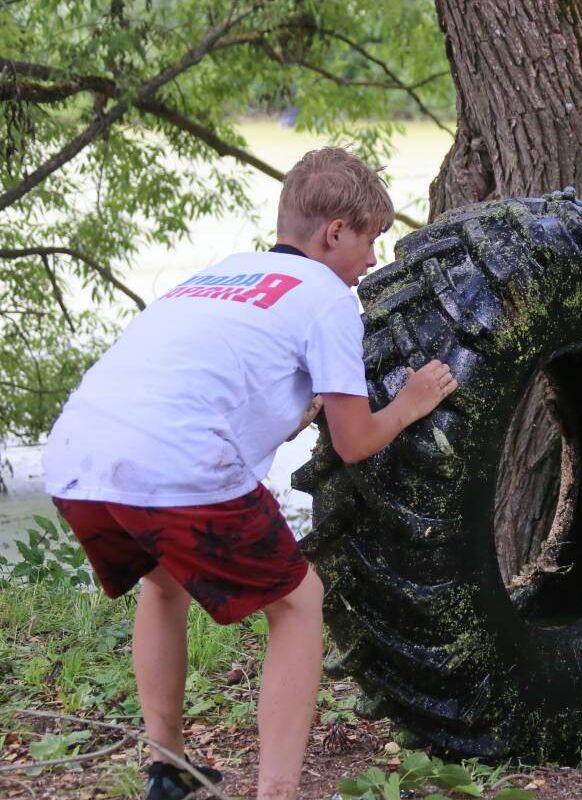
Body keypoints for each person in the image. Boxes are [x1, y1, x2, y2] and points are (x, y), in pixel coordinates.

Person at [41, 147, 458, 800]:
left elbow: (212, 381)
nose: (373, 261)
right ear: (335, 232)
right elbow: (354, 443)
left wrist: (297, 413)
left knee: (162, 584)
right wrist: (409, 403)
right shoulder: (327, 297)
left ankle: (168, 767)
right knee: (300, 603)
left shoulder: (226, 272)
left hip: (78, 456)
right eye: (372, 240)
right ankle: (278, 791)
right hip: (173, 460)